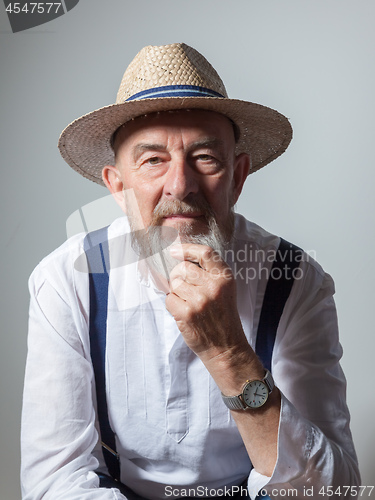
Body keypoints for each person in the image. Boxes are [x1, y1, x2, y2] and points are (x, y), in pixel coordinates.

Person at [21, 43, 360, 500]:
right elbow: (54, 481)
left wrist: (229, 356)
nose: (180, 185)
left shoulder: (296, 282)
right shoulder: (67, 281)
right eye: (153, 160)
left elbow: (334, 490)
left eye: (205, 158)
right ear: (117, 186)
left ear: (237, 177)